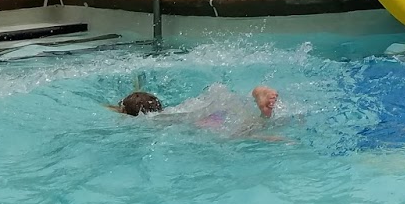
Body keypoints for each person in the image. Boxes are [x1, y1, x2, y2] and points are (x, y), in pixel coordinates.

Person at [110, 84, 282, 128]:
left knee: (238, 133)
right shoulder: (172, 110)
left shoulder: (151, 121)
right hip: (210, 104)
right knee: (243, 115)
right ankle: (255, 95)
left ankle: (261, 111)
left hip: (204, 117)